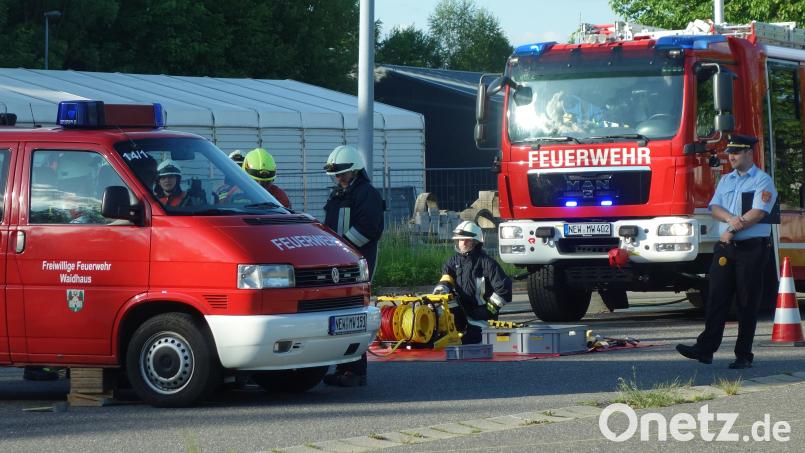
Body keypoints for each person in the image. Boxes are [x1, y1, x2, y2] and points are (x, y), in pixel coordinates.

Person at [677, 134, 778, 369]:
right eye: (730, 152)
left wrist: (731, 228)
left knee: (746, 302)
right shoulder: (726, 180)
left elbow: (758, 213)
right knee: (716, 298)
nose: (731, 156)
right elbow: (715, 207)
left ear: (749, 154)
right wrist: (730, 220)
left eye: (737, 152)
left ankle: (743, 355)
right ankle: (705, 349)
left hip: (751, 249)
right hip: (727, 248)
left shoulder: (763, 181)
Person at [321, 145, 385, 387]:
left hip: (356, 265)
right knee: (339, 317)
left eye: (341, 174)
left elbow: (369, 228)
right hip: (338, 265)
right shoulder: (340, 194)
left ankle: (356, 370)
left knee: (354, 317)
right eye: (335, 175)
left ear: (354, 171)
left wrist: (342, 247)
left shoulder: (366, 194)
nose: (338, 178)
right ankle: (343, 366)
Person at [432, 221, 512, 344]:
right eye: (459, 240)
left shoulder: (487, 263)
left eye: (466, 240)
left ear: (476, 242)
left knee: (470, 340)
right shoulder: (453, 262)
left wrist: (487, 310)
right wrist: (440, 291)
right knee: (443, 306)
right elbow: (446, 279)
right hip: (462, 313)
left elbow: (504, 289)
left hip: (482, 318)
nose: (462, 243)